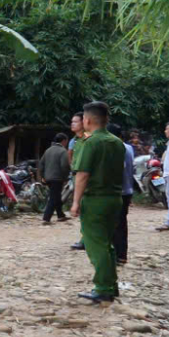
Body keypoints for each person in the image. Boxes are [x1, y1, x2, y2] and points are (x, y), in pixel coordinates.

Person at [70, 101, 126, 303]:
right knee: (107, 244)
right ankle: (111, 286)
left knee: (96, 246)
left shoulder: (90, 142)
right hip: (115, 198)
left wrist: (75, 202)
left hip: (96, 199)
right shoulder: (117, 142)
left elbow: (82, 174)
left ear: (88, 120)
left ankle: (102, 288)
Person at [108, 123, 134, 265]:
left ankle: (118, 255)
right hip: (127, 190)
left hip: (118, 191)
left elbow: (118, 170)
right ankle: (121, 255)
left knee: (116, 225)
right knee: (121, 224)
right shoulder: (129, 148)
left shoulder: (116, 148)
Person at [39, 132, 71, 224]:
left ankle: (60, 215)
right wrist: (66, 176)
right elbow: (64, 165)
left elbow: (41, 165)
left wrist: (43, 176)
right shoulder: (63, 151)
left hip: (48, 178)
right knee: (53, 198)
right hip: (57, 178)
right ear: (64, 141)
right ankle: (46, 218)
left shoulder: (48, 150)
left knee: (56, 196)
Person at [69, 112, 87, 251]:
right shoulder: (75, 140)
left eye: (75, 121)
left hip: (86, 177)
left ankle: (86, 239)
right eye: (72, 121)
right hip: (77, 175)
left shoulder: (88, 140)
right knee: (82, 209)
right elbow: (70, 156)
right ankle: (85, 238)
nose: (72, 124)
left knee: (86, 208)